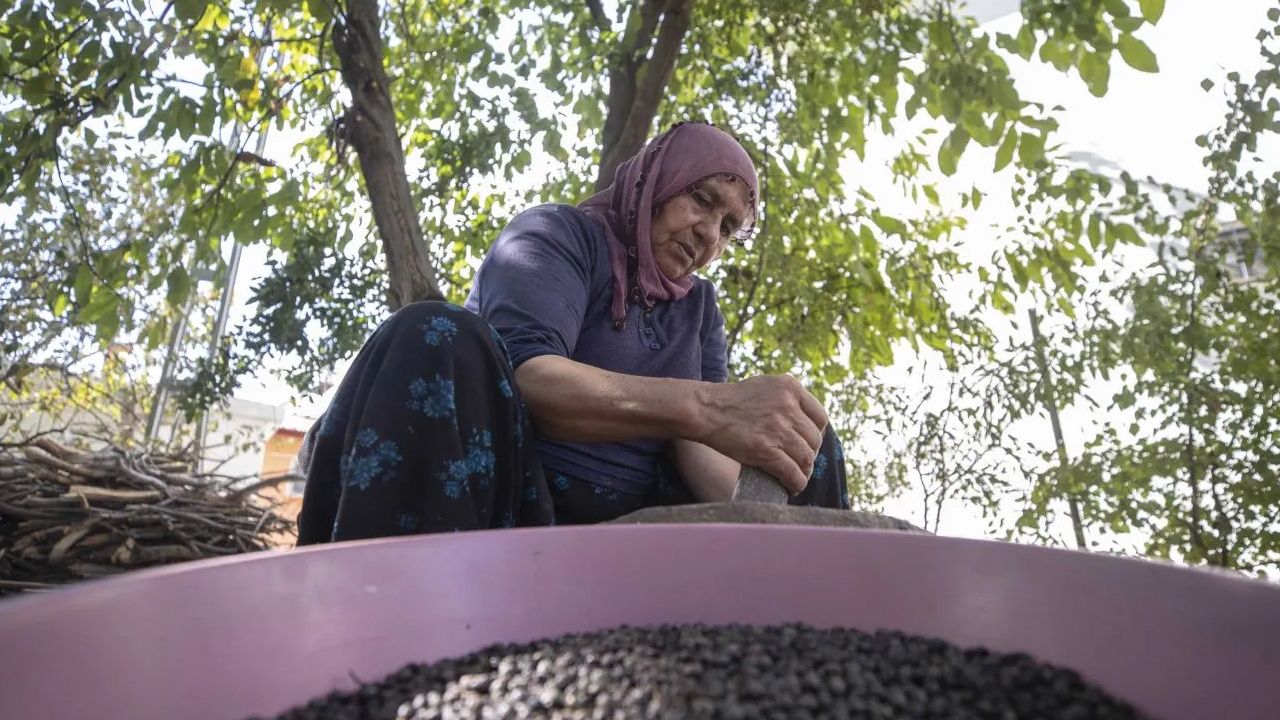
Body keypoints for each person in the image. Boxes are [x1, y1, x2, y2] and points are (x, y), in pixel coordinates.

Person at [294, 121, 850, 545]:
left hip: (632, 532)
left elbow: (697, 450)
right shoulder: (558, 237)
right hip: (510, 505)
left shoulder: (698, 307)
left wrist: (764, 473)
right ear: (656, 182)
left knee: (805, 442)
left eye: (729, 227)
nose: (709, 233)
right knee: (436, 332)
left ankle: (802, 653)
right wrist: (708, 406)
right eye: (701, 200)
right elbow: (532, 381)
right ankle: (389, 612)